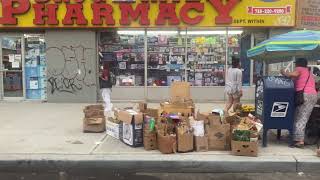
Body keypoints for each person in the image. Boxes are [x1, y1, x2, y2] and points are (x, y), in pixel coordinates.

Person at [280, 58, 317, 148]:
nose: (295, 65)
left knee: (301, 117)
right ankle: (295, 136)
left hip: (305, 95)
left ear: (299, 64)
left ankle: (300, 141)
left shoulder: (300, 69)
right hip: (311, 95)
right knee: (298, 115)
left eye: (296, 64)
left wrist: (284, 72)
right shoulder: (308, 72)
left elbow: (292, 74)